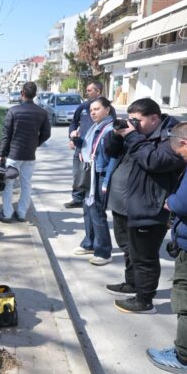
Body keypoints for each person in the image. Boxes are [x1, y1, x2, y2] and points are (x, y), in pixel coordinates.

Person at [104, 98, 185, 314]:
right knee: (128, 249)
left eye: (137, 120)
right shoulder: (138, 133)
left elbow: (155, 161)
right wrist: (116, 134)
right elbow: (109, 151)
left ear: (154, 118)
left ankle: (144, 300)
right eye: (131, 120)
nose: (134, 124)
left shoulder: (173, 136)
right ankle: (132, 283)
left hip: (148, 207)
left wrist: (132, 136)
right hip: (124, 204)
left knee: (144, 256)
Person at [146, 122, 187, 374]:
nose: (183, 159)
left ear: (186, 143)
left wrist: (171, 201)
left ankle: (183, 359)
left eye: (182, 155)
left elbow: (186, 203)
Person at [0, 81, 50, 223]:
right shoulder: (42, 112)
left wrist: (1, 153)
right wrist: (35, 144)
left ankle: (7, 213)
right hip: (30, 155)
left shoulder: (13, 111)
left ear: (22, 93)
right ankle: (21, 213)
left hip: (13, 155)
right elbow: (46, 134)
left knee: (8, 184)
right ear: (35, 94)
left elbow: (6, 135)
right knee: (26, 184)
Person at [72, 97, 115, 266]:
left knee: (97, 211)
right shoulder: (95, 126)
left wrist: (106, 180)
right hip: (90, 172)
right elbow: (87, 146)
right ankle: (89, 243)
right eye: (91, 110)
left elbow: (111, 156)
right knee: (88, 208)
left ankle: (103, 251)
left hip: (99, 173)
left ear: (107, 109)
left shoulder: (110, 127)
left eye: (97, 109)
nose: (93, 113)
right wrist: (77, 140)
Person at [65, 81, 115, 209]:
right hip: (81, 144)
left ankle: (93, 198)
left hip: (96, 148)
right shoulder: (83, 107)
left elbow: (112, 126)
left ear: (98, 91)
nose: (86, 93)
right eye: (87, 90)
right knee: (78, 173)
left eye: (89, 90)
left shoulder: (108, 108)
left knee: (92, 174)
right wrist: (72, 135)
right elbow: (74, 122)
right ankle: (77, 198)